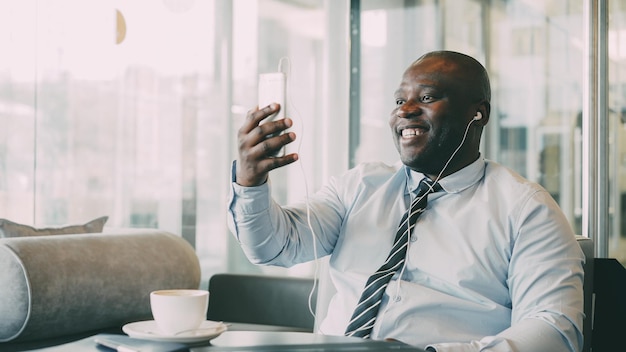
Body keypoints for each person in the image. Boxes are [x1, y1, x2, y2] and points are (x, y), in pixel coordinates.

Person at [227, 50, 584, 352]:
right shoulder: (359, 186)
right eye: (400, 100)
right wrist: (250, 183)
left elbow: (554, 328)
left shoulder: (526, 210)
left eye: (426, 98)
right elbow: (273, 246)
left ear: (479, 114)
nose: (406, 110)